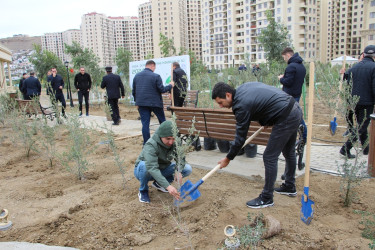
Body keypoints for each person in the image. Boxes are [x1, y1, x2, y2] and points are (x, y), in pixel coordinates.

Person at [212, 82, 302, 208]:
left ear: (228, 95)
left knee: (269, 156)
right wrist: (268, 119)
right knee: (288, 152)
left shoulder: (240, 105)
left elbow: (240, 139)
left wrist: (228, 158)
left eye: (220, 102)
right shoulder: (243, 88)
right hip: (294, 108)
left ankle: (266, 198)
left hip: (286, 116)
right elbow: (262, 101)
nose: (221, 106)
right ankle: (289, 186)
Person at [134, 120, 192, 203]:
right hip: (143, 171)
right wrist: (168, 186)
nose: (171, 142)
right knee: (145, 165)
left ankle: (159, 184)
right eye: (168, 139)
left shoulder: (176, 142)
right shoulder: (151, 145)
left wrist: (178, 170)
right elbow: (152, 168)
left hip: (162, 168)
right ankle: (143, 191)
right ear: (161, 136)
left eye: (173, 138)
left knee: (187, 169)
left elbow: (181, 158)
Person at [340, 45, 375, 158]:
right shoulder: (374, 67)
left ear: (363, 55)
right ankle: (345, 149)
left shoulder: (354, 67)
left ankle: (366, 150)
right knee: (362, 127)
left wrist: (343, 74)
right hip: (367, 102)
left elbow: (345, 79)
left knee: (361, 125)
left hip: (355, 102)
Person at [132, 60, 174, 144]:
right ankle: (165, 141)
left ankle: (146, 144)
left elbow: (134, 91)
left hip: (142, 104)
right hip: (155, 103)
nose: (154, 69)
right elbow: (162, 89)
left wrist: (136, 102)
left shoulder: (136, 76)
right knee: (163, 122)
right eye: (154, 67)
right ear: (152, 66)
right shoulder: (156, 76)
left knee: (145, 125)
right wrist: (170, 85)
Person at [278, 47, 307, 143]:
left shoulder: (291, 67)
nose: (284, 60)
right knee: (296, 115)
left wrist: (281, 79)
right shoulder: (301, 66)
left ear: (288, 55)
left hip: (289, 96)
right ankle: (303, 136)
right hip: (297, 95)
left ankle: (300, 137)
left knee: (293, 117)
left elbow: (288, 82)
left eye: (284, 57)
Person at [342, 52, 365, 137]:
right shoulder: (354, 69)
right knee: (349, 114)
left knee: (360, 118)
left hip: (363, 98)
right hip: (351, 96)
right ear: (359, 59)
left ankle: (359, 133)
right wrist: (343, 74)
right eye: (361, 58)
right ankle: (350, 129)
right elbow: (344, 79)